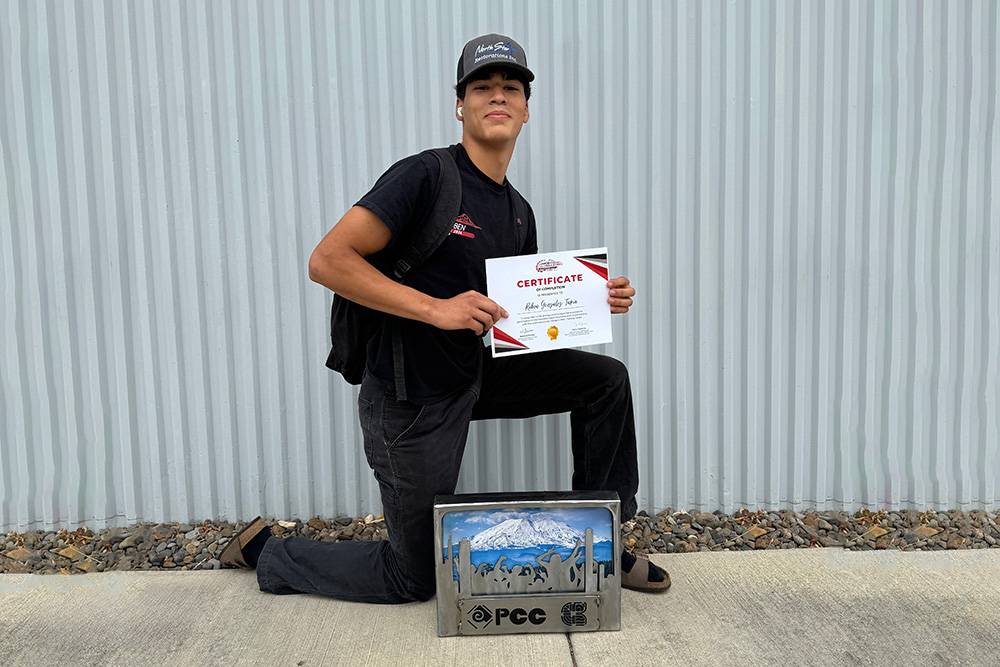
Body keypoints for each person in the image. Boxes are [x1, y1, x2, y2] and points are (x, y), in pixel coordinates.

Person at [219, 33, 670, 601]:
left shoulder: (518, 211)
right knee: (413, 578)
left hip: (474, 376)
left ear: (527, 109)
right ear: (461, 105)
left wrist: (589, 303)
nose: (497, 96)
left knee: (606, 381)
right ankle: (268, 552)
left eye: (511, 88)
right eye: (482, 87)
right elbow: (327, 260)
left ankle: (603, 535)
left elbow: (517, 319)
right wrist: (437, 309)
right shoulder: (426, 176)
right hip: (412, 401)